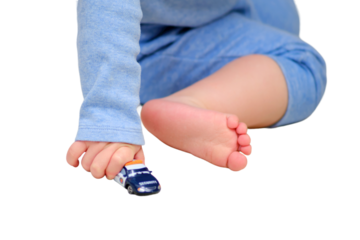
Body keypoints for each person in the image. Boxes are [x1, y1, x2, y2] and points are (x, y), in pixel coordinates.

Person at [66, 0, 328, 179]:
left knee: (282, 16)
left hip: (212, 12)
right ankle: (190, 103)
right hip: (140, 44)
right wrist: (110, 115)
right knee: (302, 66)